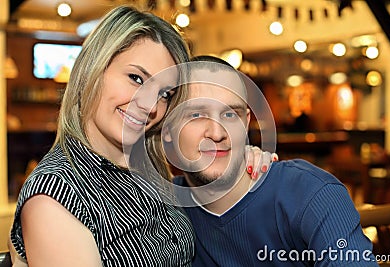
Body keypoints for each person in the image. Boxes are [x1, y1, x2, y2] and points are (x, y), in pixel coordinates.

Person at [8, 6, 273, 267]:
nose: (150, 105)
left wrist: (238, 163)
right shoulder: (57, 194)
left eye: (165, 94)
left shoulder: (145, 169)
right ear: (92, 70)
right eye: (136, 78)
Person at [163, 55, 379, 266]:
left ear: (246, 122)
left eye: (230, 115)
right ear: (167, 129)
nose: (217, 132)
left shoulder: (309, 192)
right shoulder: (160, 206)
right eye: (196, 115)